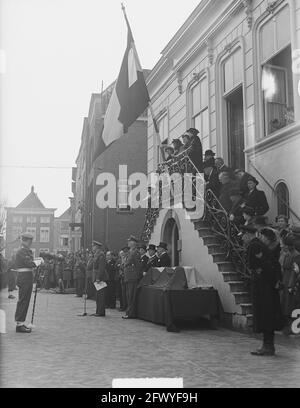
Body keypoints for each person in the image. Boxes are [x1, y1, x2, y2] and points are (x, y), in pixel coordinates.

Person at [241, 225, 284, 356]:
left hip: (263, 287)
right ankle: (267, 345)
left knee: (265, 315)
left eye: (243, 235)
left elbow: (264, 266)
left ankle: (268, 347)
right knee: (267, 316)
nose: (242, 238)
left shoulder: (255, 246)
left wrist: (270, 280)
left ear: (248, 234)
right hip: (265, 286)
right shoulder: (259, 245)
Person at [14, 233, 37, 333]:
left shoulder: (25, 251)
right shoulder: (22, 251)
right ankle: (19, 324)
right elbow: (29, 263)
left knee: (25, 300)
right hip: (24, 278)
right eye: (29, 241)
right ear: (25, 241)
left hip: (26, 277)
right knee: (23, 300)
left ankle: (21, 322)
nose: (31, 243)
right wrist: (37, 262)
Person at [280, 235, 300, 335]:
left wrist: (291, 285)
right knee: (284, 302)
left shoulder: (296, 255)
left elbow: (294, 271)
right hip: (285, 279)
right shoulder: (287, 254)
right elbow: (283, 267)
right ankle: (286, 324)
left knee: (290, 303)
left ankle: (291, 325)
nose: (287, 247)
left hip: (290, 281)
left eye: (289, 245)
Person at [122, 235, 142, 319]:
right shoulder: (130, 252)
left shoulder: (136, 252)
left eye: (129, 241)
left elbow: (138, 266)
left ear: (134, 243)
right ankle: (129, 312)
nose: (128, 243)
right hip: (128, 276)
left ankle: (131, 313)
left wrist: (137, 276)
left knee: (131, 296)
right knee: (128, 295)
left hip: (132, 277)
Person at [91, 241, 107, 317]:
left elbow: (101, 268)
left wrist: (98, 278)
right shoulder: (96, 254)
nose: (92, 247)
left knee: (100, 295)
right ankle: (98, 311)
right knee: (98, 295)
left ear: (97, 247)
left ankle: (101, 312)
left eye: (93, 246)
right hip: (96, 277)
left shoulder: (101, 255)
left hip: (100, 278)